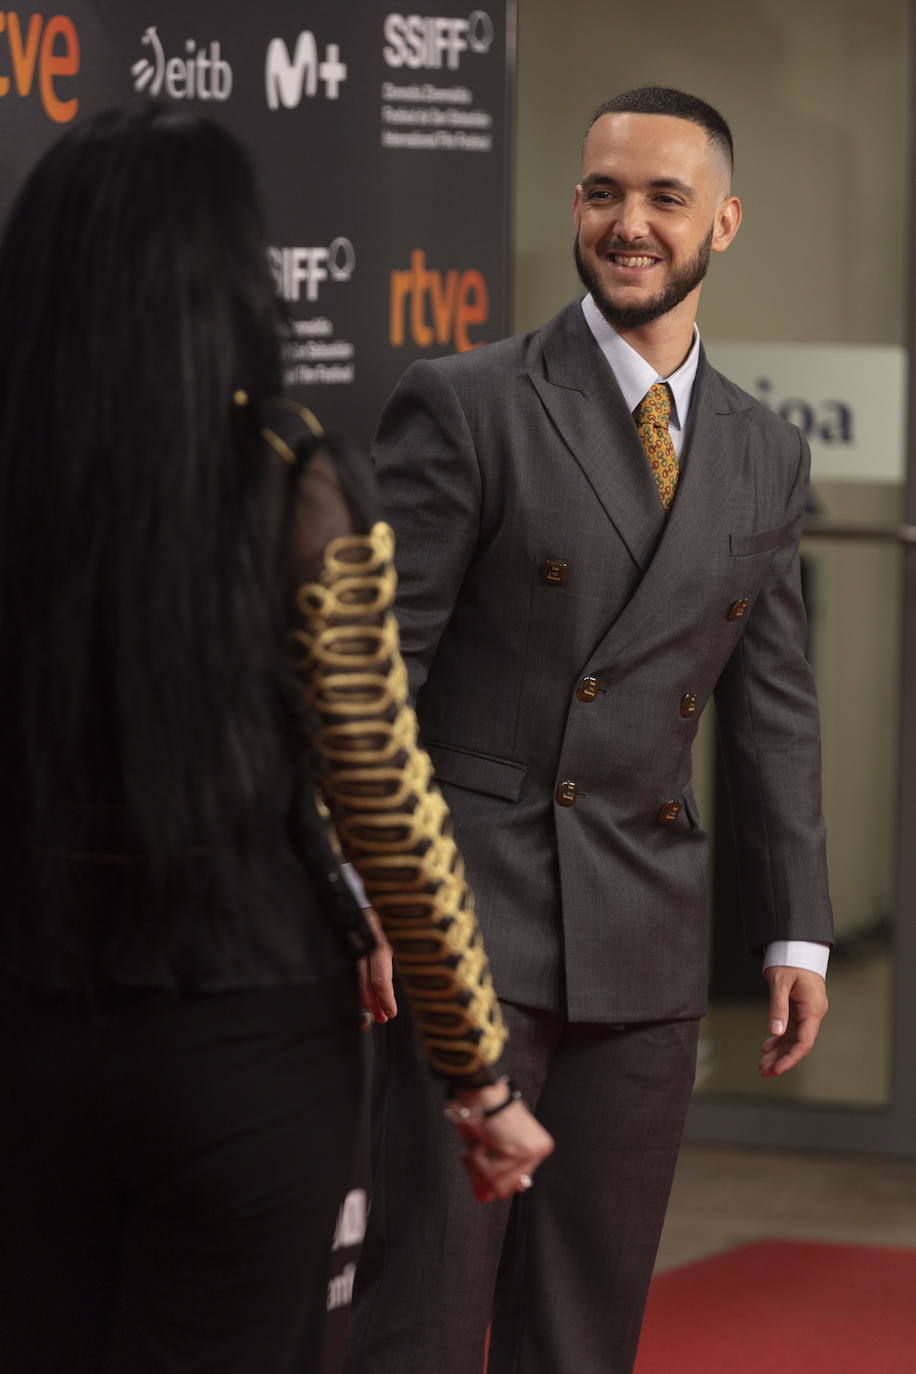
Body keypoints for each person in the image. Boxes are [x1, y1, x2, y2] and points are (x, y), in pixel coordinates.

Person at [0, 105, 551, 1374]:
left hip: (27, 1028)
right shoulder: (293, 480)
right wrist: (477, 1075)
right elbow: (383, 798)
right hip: (241, 1047)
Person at [344, 86, 833, 1374]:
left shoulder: (762, 454)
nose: (629, 224)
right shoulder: (468, 403)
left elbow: (773, 705)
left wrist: (794, 928)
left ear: (720, 221)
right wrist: (368, 896)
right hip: (466, 922)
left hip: (643, 936)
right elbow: (371, 681)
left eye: (664, 198)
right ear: (574, 205)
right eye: (603, 193)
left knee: (586, 1329)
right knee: (425, 1318)